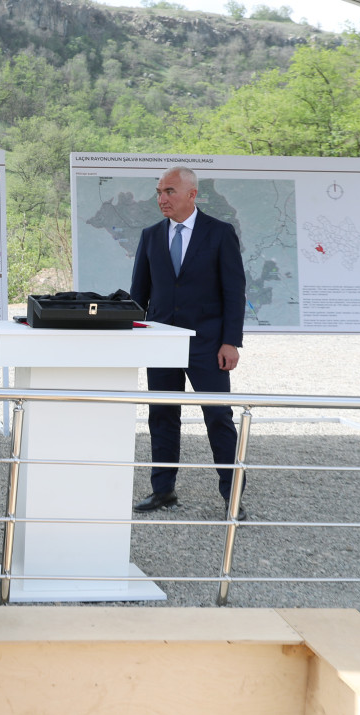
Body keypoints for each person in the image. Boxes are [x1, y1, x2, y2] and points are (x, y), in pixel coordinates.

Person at [130, 165, 247, 518]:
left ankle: (232, 497)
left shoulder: (220, 233)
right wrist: (134, 338)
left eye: (169, 191)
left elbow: (234, 292)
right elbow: (139, 295)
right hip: (161, 342)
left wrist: (231, 341)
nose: (162, 199)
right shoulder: (151, 236)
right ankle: (163, 491)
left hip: (208, 345)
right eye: (159, 192)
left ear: (192, 194)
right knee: (162, 416)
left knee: (219, 417)